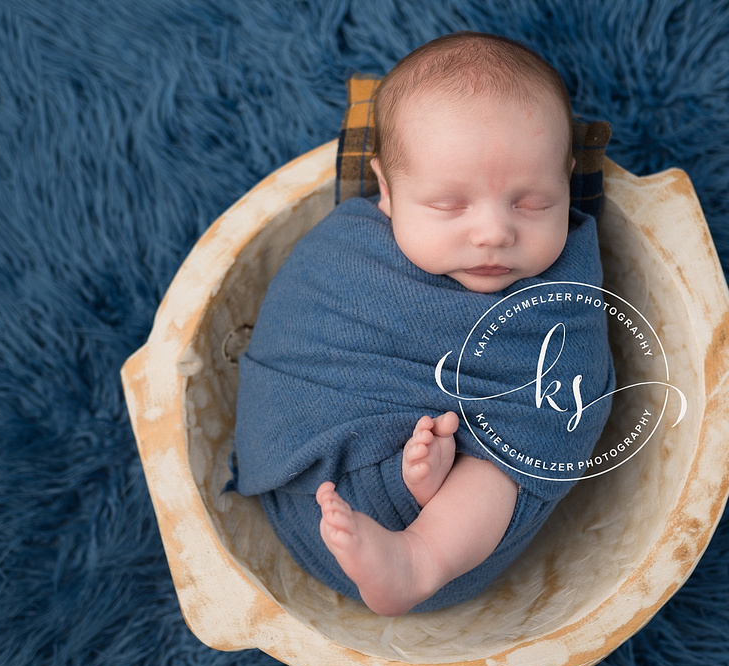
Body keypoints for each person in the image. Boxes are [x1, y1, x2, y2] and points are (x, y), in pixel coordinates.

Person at [232, 31, 614, 616]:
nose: (493, 232)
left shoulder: (566, 285)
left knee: (509, 460)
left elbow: (564, 399)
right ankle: (412, 497)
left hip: (464, 549)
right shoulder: (345, 252)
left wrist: (456, 466)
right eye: (448, 205)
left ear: (565, 179)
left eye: (533, 202)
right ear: (385, 189)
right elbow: (295, 346)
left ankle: (420, 555)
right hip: (312, 503)